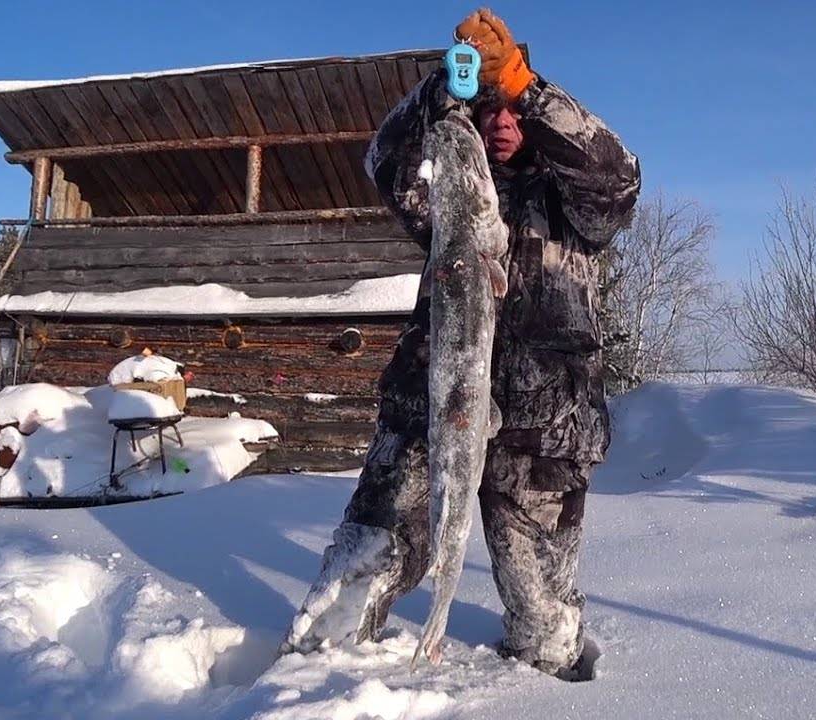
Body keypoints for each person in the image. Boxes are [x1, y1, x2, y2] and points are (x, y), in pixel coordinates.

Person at [280, 8, 641, 680]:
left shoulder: (574, 202)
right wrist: (441, 93)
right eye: (490, 113)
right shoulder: (451, 190)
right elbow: (383, 160)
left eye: (513, 114)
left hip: (540, 429)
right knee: (357, 572)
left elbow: (617, 177)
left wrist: (526, 89)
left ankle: (541, 693)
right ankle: (307, 684)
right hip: (430, 411)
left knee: (543, 624)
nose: (501, 124)